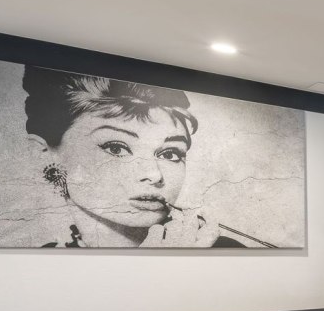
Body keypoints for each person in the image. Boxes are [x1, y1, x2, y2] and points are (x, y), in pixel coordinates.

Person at [22, 67, 242, 247]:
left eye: (170, 153)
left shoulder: (220, 250)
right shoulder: (40, 263)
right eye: (116, 148)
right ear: (43, 156)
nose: (155, 175)